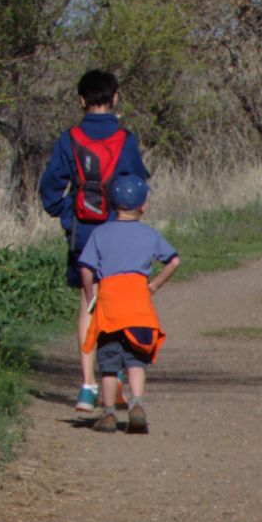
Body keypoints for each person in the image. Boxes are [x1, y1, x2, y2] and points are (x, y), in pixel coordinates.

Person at [38, 69, 151, 413]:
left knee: (87, 303)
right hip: (117, 232)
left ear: (81, 100)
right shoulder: (125, 139)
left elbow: (49, 190)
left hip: (82, 234)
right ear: (115, 98)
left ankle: (88, 385)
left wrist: (68, 214)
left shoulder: (68, 138)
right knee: (117, 304)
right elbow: (138, 187)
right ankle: (113, 384)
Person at [78, 172, 179, 434]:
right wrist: (154, 285)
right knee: (136, 361)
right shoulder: (149, 234)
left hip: (110, 308)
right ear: (143, 206)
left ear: (110, 204)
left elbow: (86, 270)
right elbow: (174, 261)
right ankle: (136, 403)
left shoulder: (100, 233)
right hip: (139, 308)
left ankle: (109, 414)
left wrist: (91, 296)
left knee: (110, 366)